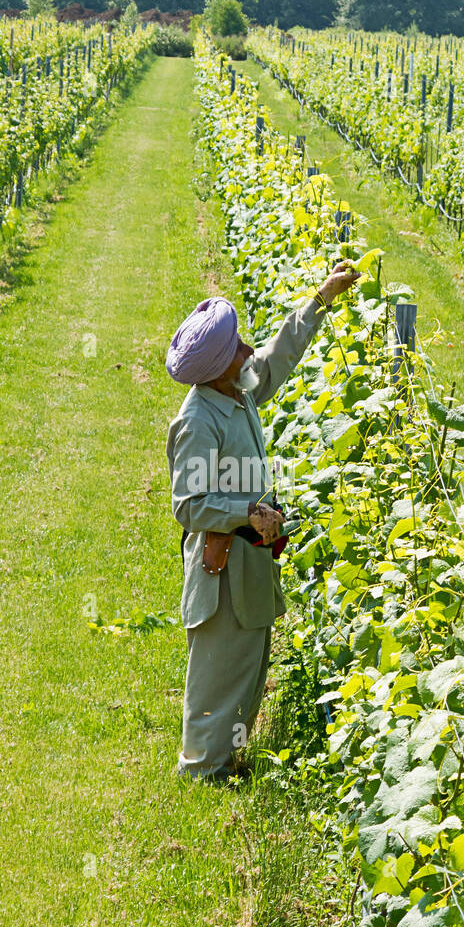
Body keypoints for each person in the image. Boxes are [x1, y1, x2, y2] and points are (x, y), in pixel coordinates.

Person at [165, 262, 359, 783]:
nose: (248, 350)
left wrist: (320, 300)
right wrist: (246, 514)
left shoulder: (236, 390)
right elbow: (189, 504)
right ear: (215, 366)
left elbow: (276, 359)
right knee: (217, 672)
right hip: (222, 566)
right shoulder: (198, 422)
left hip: (248, 560)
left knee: (247, 666)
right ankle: (201, 773)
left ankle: (225, 765)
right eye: (237, 348)